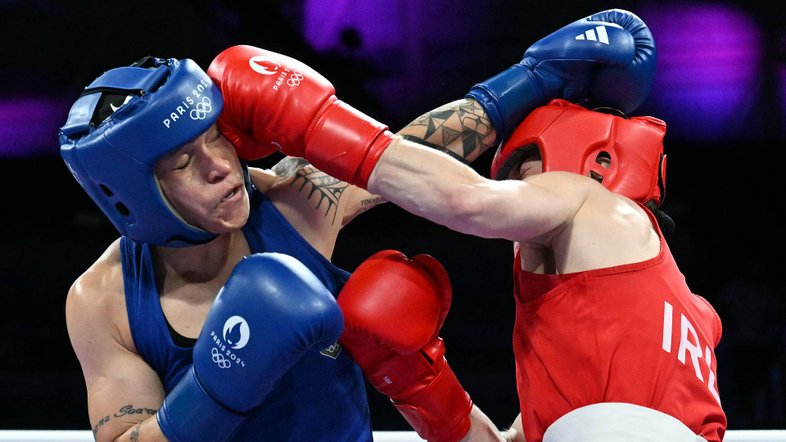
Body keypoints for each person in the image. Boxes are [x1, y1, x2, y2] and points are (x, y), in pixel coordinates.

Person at [59, 8, 650, 442]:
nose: (224, 167)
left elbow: (410, 149)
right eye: (186, 161)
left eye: (216, 135)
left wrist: (537, 76)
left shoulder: (293, 201)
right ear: (136, 195)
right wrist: (219, 387)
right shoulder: (102, 301)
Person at [233, 10, 729, 442]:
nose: (519, 214)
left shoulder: (590, 200)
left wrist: (312, 121)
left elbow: (462, 199)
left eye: (522, 176)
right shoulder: (655, 310)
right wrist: (418, 384)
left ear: (588, 163)